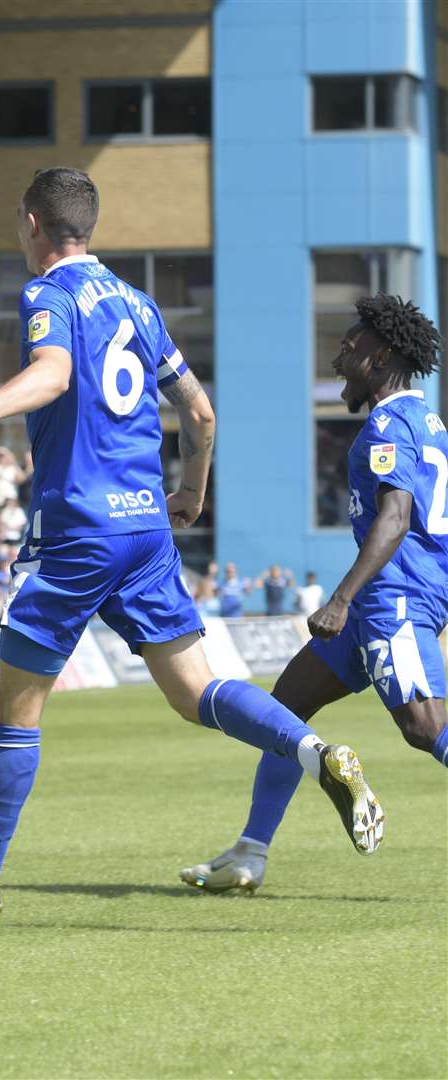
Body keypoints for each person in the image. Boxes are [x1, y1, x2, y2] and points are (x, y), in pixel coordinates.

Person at [0, 168, 382, 926]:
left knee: (14, 710)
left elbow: (52, 374)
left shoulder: (49, 296)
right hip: (145, 527)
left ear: (32, 224)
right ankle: (316, 752)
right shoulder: (137, 303)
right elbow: (199, 410)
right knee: (197, 693)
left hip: (79, 530)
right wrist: (192, 490)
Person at [181, 295, 447, 894]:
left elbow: (396, 516)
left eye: (350, 349)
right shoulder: (427, 420)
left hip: (392, 597)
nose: (338, 359)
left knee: (426, 726)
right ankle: (251, 852)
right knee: (286, 708)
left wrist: (342, 599)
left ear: (381, 356)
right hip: (389, 595)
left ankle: (253, 849)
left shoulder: (389, 423)